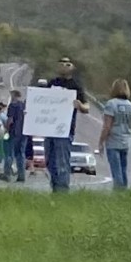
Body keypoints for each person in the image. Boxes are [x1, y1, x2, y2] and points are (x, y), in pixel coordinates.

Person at [47, 58, 90, 193]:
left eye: (67, 64)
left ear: (72, 67)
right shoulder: (52, 83)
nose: (63, 66)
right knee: (49, 160)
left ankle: (63, 189)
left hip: (65, 129)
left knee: (62, 161)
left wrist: (80, 105)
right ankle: (55, 187)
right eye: (61, 64)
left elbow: (86, 106)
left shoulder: (76, 85)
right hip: (49, 128)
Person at [98, 79, 131, 190]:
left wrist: (101, 141)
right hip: (125, 140)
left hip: (113, 141)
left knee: (116, 170)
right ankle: (124, 189)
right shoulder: (130, 105)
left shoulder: (111, 104)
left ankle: (118, 190)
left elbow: (107, 126)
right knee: (123, 169)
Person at [3, 89, 26, 183]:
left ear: (14, 95)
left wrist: (6, 129)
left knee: (9, 153)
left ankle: (7, 174)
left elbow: (10, 120)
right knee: (21, 154)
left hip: (13, 132)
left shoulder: (13, 105)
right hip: (23, 132)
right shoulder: (23, 106)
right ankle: (21, 175)